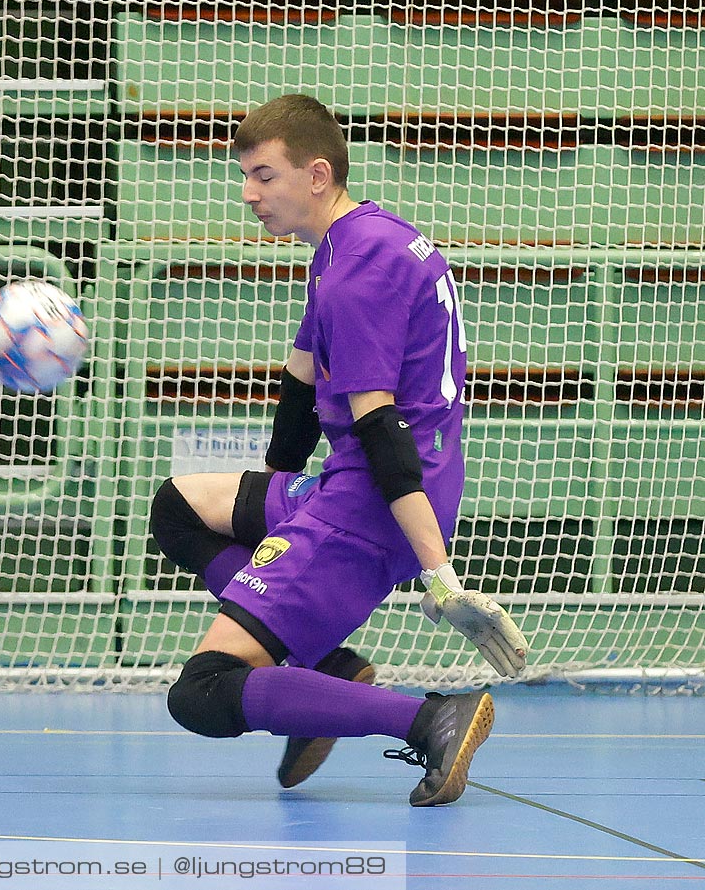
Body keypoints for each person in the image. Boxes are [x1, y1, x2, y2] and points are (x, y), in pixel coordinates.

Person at [149, 95, 529, 806]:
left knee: (200, 693)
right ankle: (323, 661)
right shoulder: (360, 237)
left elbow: (384, 437)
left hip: (374, 504)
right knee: (178, 507)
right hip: (352, 484)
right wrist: (275, 501)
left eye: (264, 175)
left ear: (316, 173)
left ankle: (429, 718)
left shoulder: (357, 276)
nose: (248, 192)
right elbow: (300, 382)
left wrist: (439, 577)